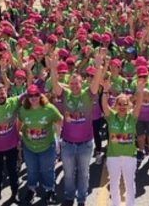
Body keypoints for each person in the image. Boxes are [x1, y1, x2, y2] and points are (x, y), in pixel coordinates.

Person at [49, 50, 103, 206]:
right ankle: (68, 196)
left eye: (76, 83)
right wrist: (53, 69)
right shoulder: (65, 95)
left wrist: (98, 67)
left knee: (84, 174)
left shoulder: (88, 94)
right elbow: (55, 85)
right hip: (68, 144)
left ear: (81, 84)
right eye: (71, 83)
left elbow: (95, 83)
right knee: (69, 174)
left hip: (86, 144)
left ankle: (81, 199)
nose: (74, 86)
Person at [101, 77, 144, 206]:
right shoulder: (111, 117)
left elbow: (139, 104)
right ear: (115, 105)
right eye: (120, 104)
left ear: (128, 105)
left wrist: (140, 91)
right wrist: (105, 90)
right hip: (113, 157)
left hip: (129, 157)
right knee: (114, 184)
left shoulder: (132, 118)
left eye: (125, 104)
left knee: (129, 184)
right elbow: (104, 104)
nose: (122, 107)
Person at [19, 84, 63, 204]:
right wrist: (20, 134)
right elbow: (19, 123)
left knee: (47, 170)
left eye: (36, 95)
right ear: (27, 97)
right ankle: (31, 189)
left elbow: (60, 119)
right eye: (30, 95)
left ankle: (49, 190)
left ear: (40, 95)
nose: (34, 98)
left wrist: (57, 135)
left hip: (47, 147)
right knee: (31, 170)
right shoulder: (23, 110)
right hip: (29, 147)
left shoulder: (49, 108)